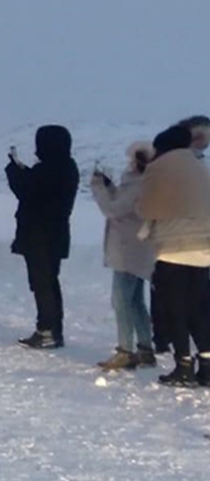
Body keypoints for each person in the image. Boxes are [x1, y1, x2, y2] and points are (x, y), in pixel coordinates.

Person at [136, 125, 210, 386]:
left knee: (175, 310)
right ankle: (207, 365)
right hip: (203, 251)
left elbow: (146, 207)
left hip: (173, 252)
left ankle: (183, 367)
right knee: (200, 310)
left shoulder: (159, 168)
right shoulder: (201, 167)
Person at [6, 125, 80, 349]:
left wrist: (14, 170)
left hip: (40, 235)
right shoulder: (65, 166)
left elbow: (27, 191)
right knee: (49, 282)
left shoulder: (49, 168)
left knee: (42, 283)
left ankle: (46, 329)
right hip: (55, 234)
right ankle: (52, 329)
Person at [90, 142, 157, 370]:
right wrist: (111, 188)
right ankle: (145, 349)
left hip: (128, 250)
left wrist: (99, 187)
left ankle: (125, 350)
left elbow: (113, 209)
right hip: (135, 249)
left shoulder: (138, 184)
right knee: (135, 301)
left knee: (121, 301)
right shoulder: (143, 183)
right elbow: (121, 203)